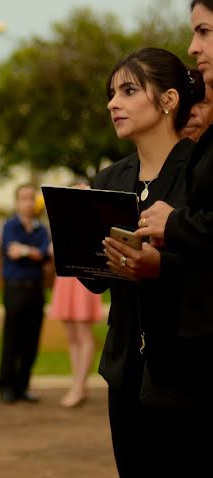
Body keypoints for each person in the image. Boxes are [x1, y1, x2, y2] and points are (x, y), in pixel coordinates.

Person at [84, 46, 205, 477]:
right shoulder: (110, 178)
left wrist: (159, 267)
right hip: (125, 370)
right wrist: (77, 236)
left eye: (129, 90)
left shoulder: (198, 172)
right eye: (111, 93)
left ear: (169, 100)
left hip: (187, 373)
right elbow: (97, 281)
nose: (113, 103)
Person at [0, 183, 50, 403]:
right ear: (17, 202)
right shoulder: (9, 226)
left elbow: (46, 255)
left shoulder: (42, 229)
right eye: (24, 198)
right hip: (15, 288)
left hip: (36, 290)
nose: (28, 202)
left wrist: (25, 250)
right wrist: (34, 252)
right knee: (12, 339)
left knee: (31, 341)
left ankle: (23, 385)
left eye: (31, 198)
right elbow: (12, 251)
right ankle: (6, 387)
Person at [47, 273, 103, 407]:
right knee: (71, 334)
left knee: (83, 332)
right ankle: (78, 383)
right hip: (65, 276)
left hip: (83, 275)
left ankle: (80, 386)